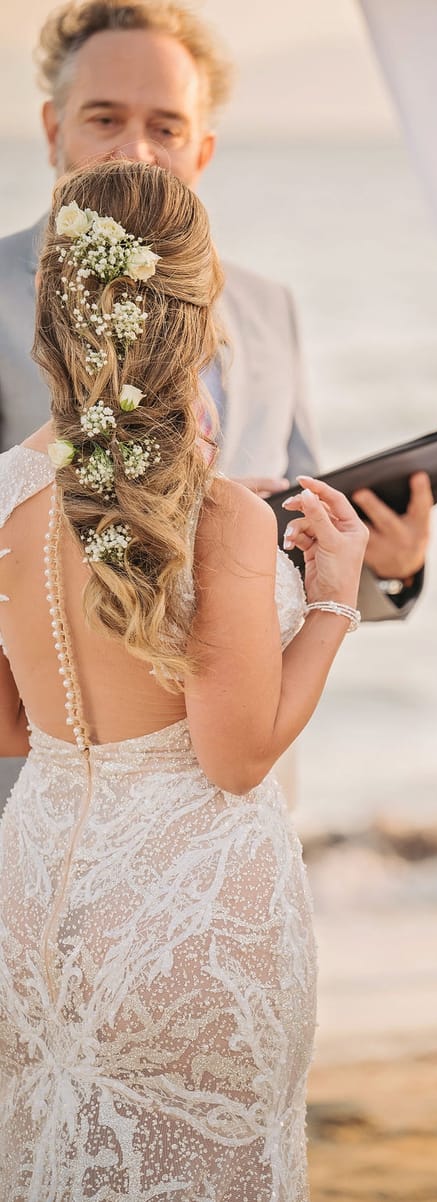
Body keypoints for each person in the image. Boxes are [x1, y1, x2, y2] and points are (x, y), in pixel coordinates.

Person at [0, 155, 367, 1197]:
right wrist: (331, 595)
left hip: (33, 895)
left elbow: (12, 727)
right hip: (190, 913)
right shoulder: (220, 519)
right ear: (197, 312)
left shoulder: (9, 495)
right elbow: (238, 753)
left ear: (55, 311)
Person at [0, 0, 433, 796]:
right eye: (104, 117)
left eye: (166, 126)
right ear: (53, 126)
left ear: (201, 148)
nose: (135, 148)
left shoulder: (268, 309)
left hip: (238, 789)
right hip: (48, 782)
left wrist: (384, 567)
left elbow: (299, 507)